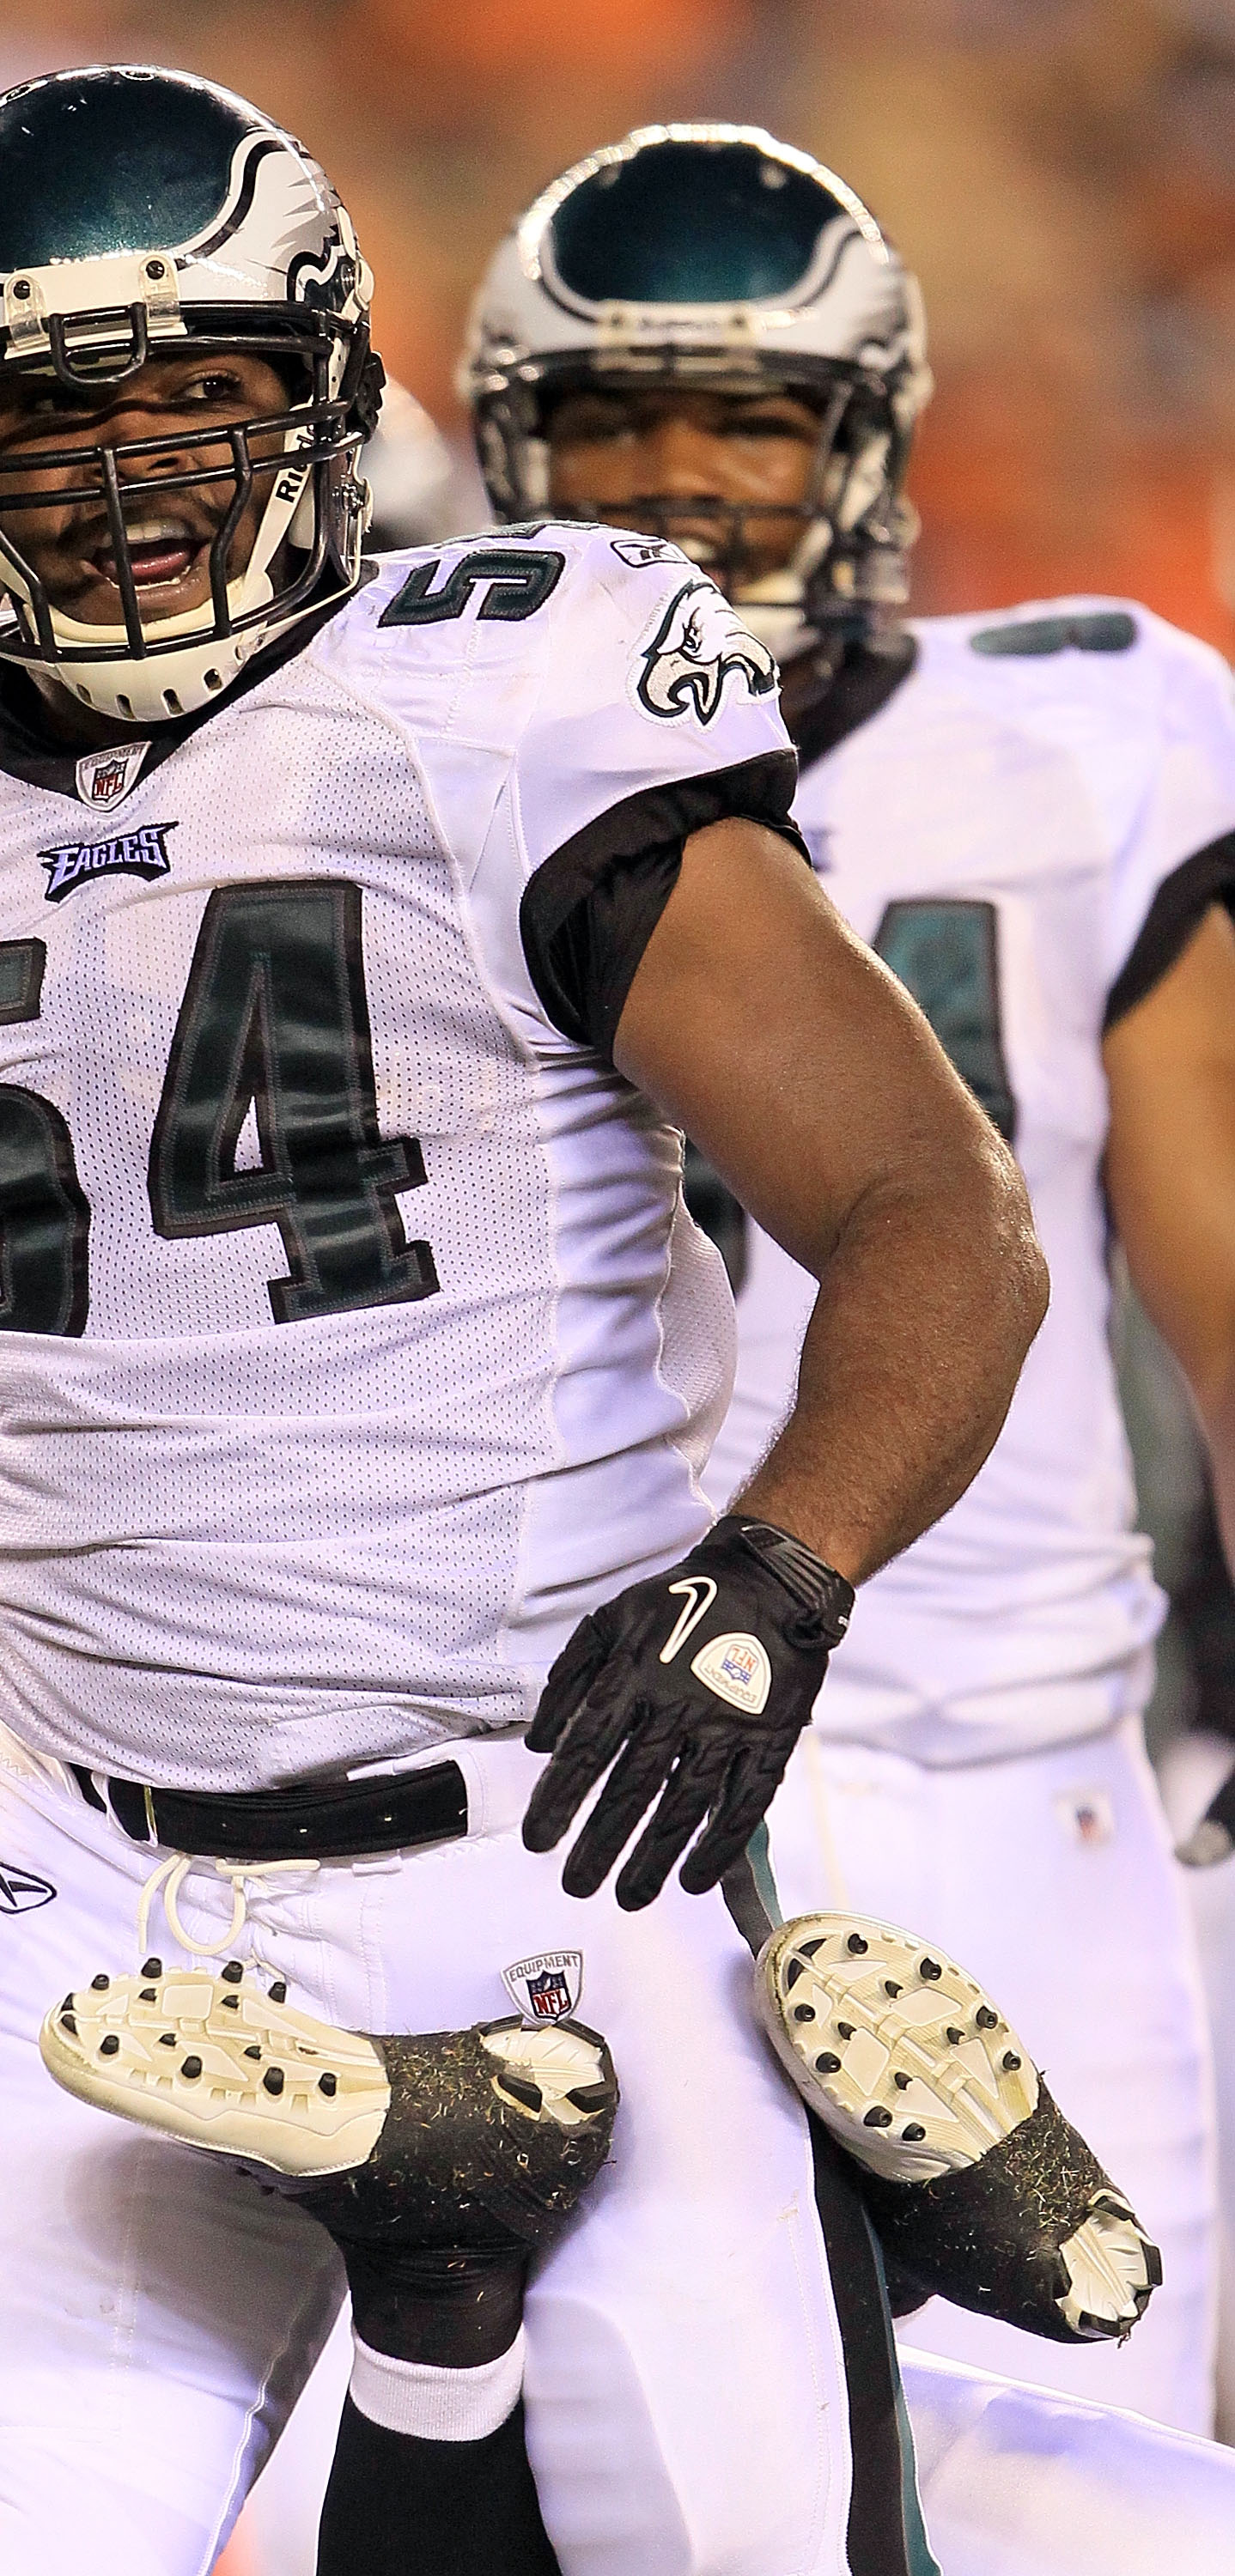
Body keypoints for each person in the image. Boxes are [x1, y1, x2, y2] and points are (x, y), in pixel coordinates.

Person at [0, 65, 1048, 2576]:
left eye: (200, 395)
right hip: (79, 1912)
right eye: (45, 419)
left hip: (561, 1857)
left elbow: (931, 1204)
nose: (136, 472)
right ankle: (436, 2296)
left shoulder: (516, 694)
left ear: (319, 394)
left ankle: (460, 2285)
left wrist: (777, 1577)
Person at [462, 120, 1235, 2432]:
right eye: (610, 419)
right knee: (654, 2495)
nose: (678, 477)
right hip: (588, 1780)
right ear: (517, 445)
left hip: (1012, 1754)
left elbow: (1220, 1250)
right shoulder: (409, 756)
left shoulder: (1088, 728)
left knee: (1086, 2469)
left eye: (751, 417)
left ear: (867, 441)